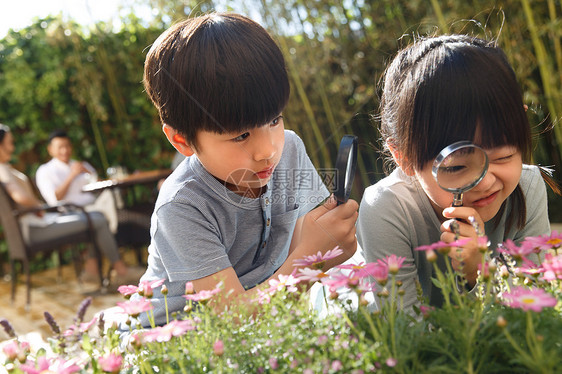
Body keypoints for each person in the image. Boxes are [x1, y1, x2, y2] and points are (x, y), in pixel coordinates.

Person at [133, 12, 358, 327]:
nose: (267, 150)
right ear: (182, 140)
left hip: (262, 326)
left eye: (274, 120)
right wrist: (311, 261)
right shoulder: (183, 206)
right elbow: (233, 318)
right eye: (240, 136)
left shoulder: (289, 149)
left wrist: (327, 237)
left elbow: (309, 243)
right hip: (174, 340)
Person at [357, 35, 552, 311]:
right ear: (403, 157)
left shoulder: (528, 186)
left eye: (504, 156)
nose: (485, 181)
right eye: (456, 167)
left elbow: (536, 311)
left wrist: (477, 274)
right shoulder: (386, 208)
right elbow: (403, 331)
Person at [0, 124, 143, 287]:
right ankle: (120, 271)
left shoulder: (5, 168)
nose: (12, 147)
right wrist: (38, 207)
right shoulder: (3, 170)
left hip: (38, 222)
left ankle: (92, 270)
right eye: (10, 143)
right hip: (35, 227)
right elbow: (20, 197)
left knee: (97, 218)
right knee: (98, 219)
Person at [35, 129, 118, 233]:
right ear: (50, 149)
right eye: (60, 147)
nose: (65, 150)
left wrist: (87, 172)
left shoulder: (80, 165)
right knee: (107, 215)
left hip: (95, 204)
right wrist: (72, 175)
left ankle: (114, 229)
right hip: (73, 212)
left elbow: (102, 186)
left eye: (67, 146)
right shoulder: (45, 171)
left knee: (111, 195)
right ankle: (114, 231)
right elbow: (55, 199)